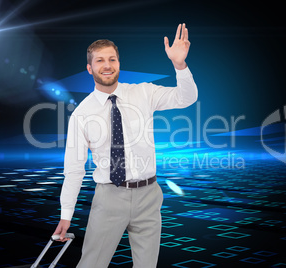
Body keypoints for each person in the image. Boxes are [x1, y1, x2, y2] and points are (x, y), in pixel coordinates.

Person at [53, 23, 198, 268]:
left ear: (119, 63)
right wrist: (66, 214)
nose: (107, 65)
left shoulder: (144, 92)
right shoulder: (81, 114)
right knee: (91, 264)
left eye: (112, 59)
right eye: (100, 61)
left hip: (149, 195)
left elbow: (187, 98)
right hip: (110, 197)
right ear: (90, 68)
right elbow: (74, 169)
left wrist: (179, 65)